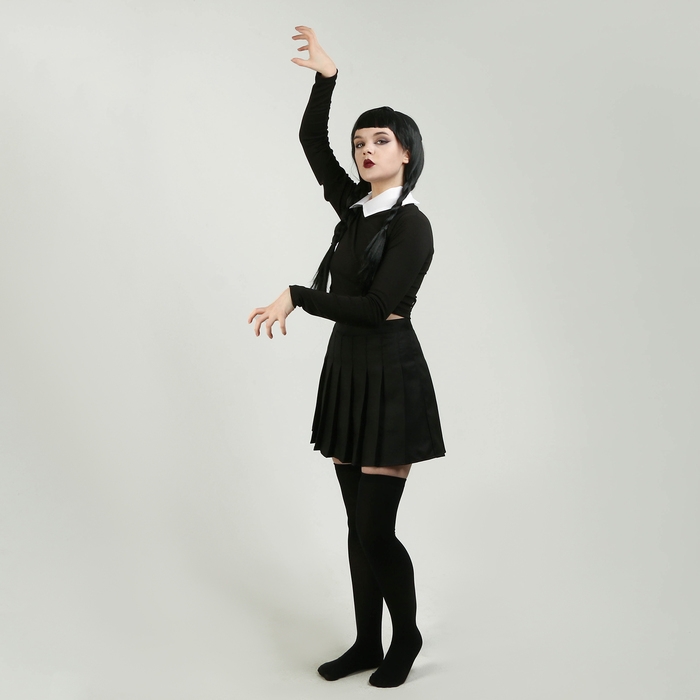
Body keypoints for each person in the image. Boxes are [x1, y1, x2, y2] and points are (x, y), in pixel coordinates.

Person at [248, 26, 446, 688]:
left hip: (390, 375)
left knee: (375, 528)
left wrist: (299, 296)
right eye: (360, 142)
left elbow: (377, 306)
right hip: (348, 372)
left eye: (380, 140)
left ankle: (406, 637)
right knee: (357, 529)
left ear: (407, 152)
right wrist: (326, 80)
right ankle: (367, 641)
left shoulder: (412, 225)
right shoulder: (354, 208)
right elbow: (312, 140)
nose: (365, 150)